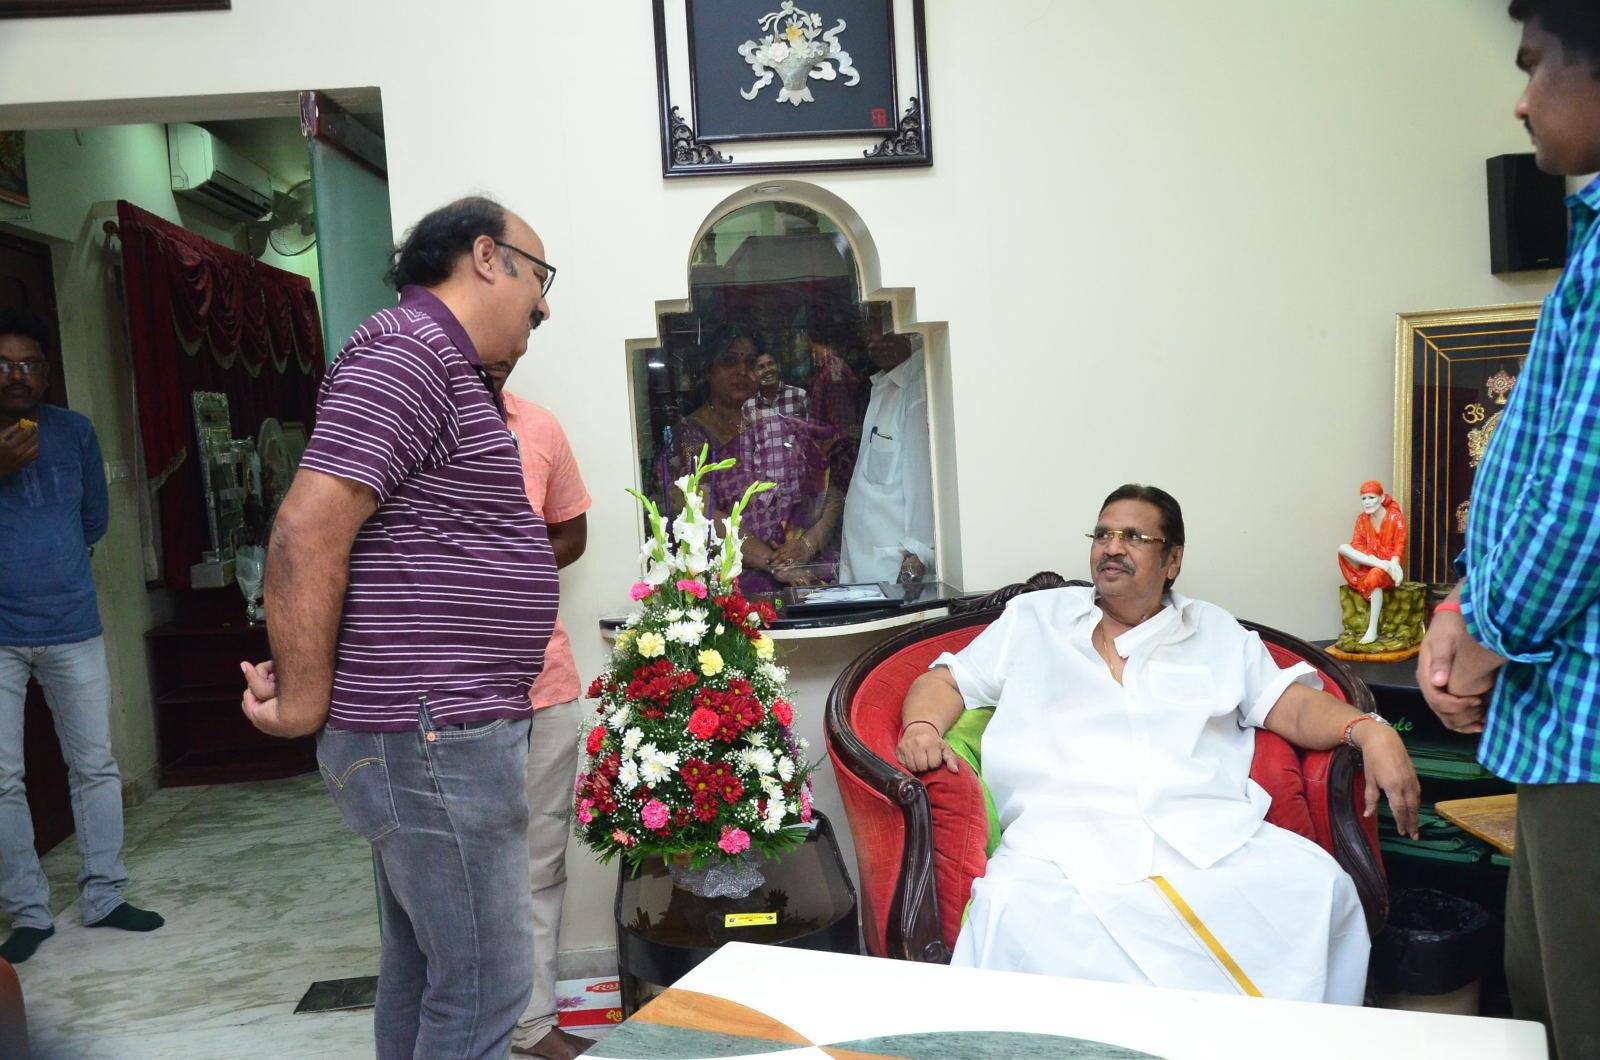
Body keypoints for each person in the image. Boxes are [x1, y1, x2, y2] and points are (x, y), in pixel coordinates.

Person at [239, 196, 558, 1059]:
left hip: (434, 730)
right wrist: (302, 700)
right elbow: (307, 530)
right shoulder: (409, 351)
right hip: (432, 735)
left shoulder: (440, 362)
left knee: (426, 973)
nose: (543, 304)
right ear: (486, 258)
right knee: (489, 982)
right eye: (539, 277)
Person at [897, 485, 1421, 1004]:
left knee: (1318, 887)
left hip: (1205, 837)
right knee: (1013, 914)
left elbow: (1292, 705)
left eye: (1133, 537)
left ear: (1173, 560)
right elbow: (946, 681)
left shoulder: (1214, 632)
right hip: (1060, 845)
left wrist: (1369, 729)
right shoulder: (1035, 619)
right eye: (1102, 534)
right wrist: (922, 727)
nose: (1112, 548)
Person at [1417, 4, 1600, 1055]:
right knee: (1541, 1000)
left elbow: (1583, 497)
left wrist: (1484, 629)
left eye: (1535, 67)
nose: (1521, 101)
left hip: (1588, 724)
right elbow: (1537, 475)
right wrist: (1458, 603)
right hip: (1563, 718)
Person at [0, 308, 163, 966]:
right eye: (3, 364)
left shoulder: (74, 431)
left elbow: (94, 518)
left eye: (29, 364)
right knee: (2, 779)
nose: (17, 375)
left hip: (72, 626)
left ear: (46, 373)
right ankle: (28, 911)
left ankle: (103, 894)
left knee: (95, 765)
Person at [490, 362, 595, 1060]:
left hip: (544, 683)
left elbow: (572, 532)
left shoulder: (538, 425)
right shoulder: (414, 420)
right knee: (462, 876)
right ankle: (475, 1031)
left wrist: (511, 567)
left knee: (539, 863)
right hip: (451, 694)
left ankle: (531, 1026)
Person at [658, 327, 841, 591]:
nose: (742, 371)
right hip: (733, 581)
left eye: (750, 362)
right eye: (729, 361)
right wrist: (775, 563)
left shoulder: (781, 425)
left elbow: (830, 493)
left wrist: (806, 545)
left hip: (802, 570)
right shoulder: (691, 436)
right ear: (708, 371)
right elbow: (700, 515)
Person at [838, 332, 934, 585]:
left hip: (894, 572)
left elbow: (924, 480)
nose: (873, 342)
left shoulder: (917, 387)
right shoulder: (887, 384)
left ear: (908, 334)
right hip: (867, 566)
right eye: (871, 333)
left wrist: (918, 552)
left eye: (884, 333)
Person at [1336, 480, 1407, 644]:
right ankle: (1381, 565)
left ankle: (1372, 630)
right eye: (1364, 498)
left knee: (1375, 575)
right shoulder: (1362, 519)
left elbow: (1400, 545)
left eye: (1371, 497)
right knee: (1343, 548)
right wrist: (1376, 561)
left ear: (1381, 498)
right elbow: (1357, 544)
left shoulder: (1395, 517)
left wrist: (1393, 564)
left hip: (1389, 569)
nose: (1367, 502)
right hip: (1369, 564)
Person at [805, 318, 863, 490]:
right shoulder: (827, 369)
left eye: (813, 350)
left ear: (824, 346)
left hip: (838, 450)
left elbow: (840, 418)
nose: (812, 356)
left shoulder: (833, 371)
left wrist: (826, 449)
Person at [743, 349, 809, 421]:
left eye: (770, 364)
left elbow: (812, 427)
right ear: (752, 375)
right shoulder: (748, 407)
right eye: (761, 367)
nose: (767, 369)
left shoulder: (799, 396)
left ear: (779, 367)